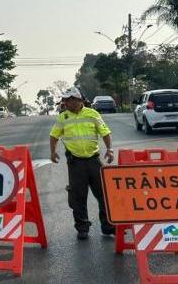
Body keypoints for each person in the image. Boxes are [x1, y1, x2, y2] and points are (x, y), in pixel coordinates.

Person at [50, 87, 115, 240]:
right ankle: (82, 228)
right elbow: (54, 136)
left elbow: (105, 132)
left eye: (72, 100)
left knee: (104, 194)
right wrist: (53, 151)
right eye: (66, 101)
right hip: (75, 163)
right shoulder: (63, 118)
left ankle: (108, 227)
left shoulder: (93, 114)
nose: (68, 103)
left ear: (80, 101)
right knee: (78, 197)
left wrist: (110, 150)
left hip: (94, 160)